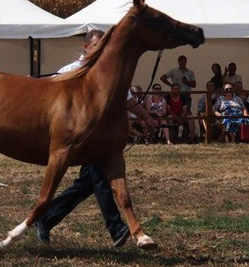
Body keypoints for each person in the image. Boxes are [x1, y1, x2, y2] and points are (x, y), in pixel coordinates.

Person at [35, 29, 158, 248]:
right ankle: (117, 227)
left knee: (87, 184)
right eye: (96, 45)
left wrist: (147, 118)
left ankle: (45, 219)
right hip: (80, 139)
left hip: (101, 139)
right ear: (86, 47)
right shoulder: (71, 70)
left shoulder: (110, 73)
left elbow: (128, 100)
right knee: (101, 180)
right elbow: (47, 95)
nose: (101, 49)